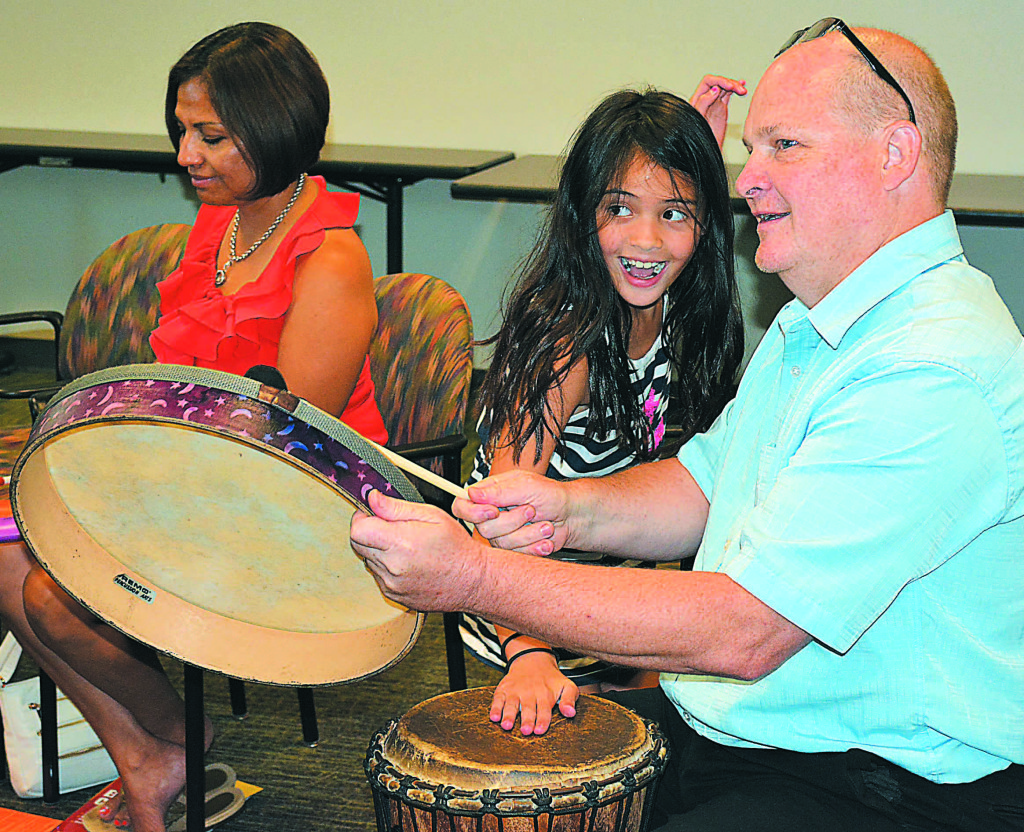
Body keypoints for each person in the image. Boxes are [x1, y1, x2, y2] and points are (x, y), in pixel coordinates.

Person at [352, 21, 1024, 831]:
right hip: (755, 736)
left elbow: (747, 630)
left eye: (783, 145)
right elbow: (708, 481)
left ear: (895, 155)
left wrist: (473, 578)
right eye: (753, 148)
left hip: (883, 781)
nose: (748, 182)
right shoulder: (814, 323)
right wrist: (567, 508)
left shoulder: (931, 368)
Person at [0, 22, 386, 832]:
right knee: (6, 554)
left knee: (51, 592)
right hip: (196, 480)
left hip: (300, 518)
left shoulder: (331, 259)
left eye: (210, 135)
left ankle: (183, 733)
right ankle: (147, 759)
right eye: (183, 131)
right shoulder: (226, 220)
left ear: (274, 126)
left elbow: (287, 455)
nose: (186, 155)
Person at [459, 82, 746, 736]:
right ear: (582, 212)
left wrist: (696, 150)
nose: (646, 240)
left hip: (618, 602)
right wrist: (530, 654)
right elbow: (500, 520)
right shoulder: (566, 341)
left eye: (674, 213)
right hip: (521, 608)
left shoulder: (679, 311)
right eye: (619, 208)